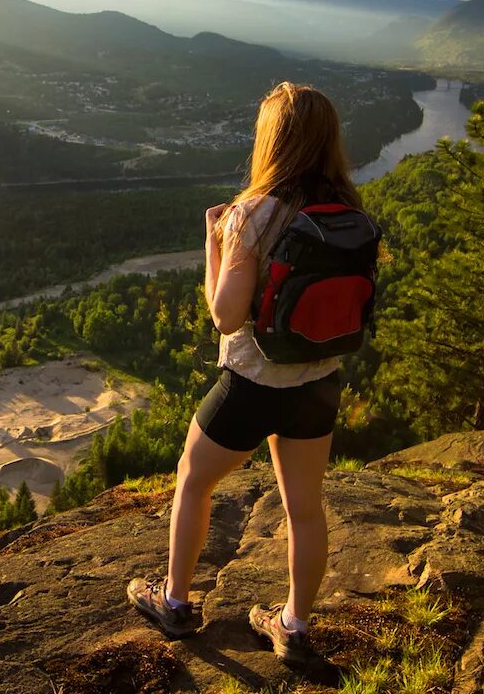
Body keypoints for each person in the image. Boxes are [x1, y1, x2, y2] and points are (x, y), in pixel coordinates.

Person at [128, 81, 361, 663]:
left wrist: (214, 246)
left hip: (252, 385)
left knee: (192, 477)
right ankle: (295, 626)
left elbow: (226, 315)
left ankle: (175, 603)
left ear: (271, 141)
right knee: (305, 507)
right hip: (317, 382)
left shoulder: (251, 213)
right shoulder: (347, 212)